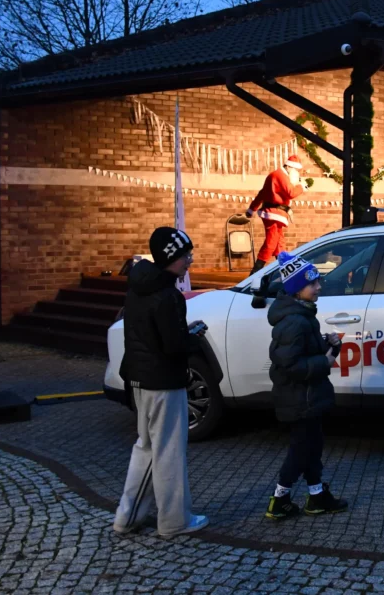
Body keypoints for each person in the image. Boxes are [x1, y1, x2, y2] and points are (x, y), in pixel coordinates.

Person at [113, 227, 209, 537]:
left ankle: (127, 516)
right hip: (164, 382)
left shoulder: (139, 288)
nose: (189, 260)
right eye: (185, 255)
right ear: (170, 258)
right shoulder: (168, 296)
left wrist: (183, 335)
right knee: (168, 451)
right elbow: (173, 345)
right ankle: (174, 520)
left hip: (140, 379)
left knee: (146, 448)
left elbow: (150, 336)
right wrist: (194, 338)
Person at [265, 250, 348, 520]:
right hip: (300, 398)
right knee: (302, 449)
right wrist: (325, 361)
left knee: (312, 445)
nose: (318, 287)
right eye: (312, 283)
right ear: (297, 289)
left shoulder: (303, 315)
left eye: (317, 281)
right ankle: (279, 499)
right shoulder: (295, 322)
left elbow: (303, 353)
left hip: (307, 396)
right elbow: (291, 364)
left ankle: (316, 495)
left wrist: (330, 346)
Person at [247, 155, 307, 274]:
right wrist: (301, 187)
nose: (297, 173)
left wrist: (252, 209)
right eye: (296, 170)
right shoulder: (280, 175)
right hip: (274, 214)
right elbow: (291, 193)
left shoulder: (275, 175)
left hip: (275, 213)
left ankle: (285, 272)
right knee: (271, 242)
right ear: (289, 167)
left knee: (279, 244)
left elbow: (262, 194)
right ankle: (255, 272)